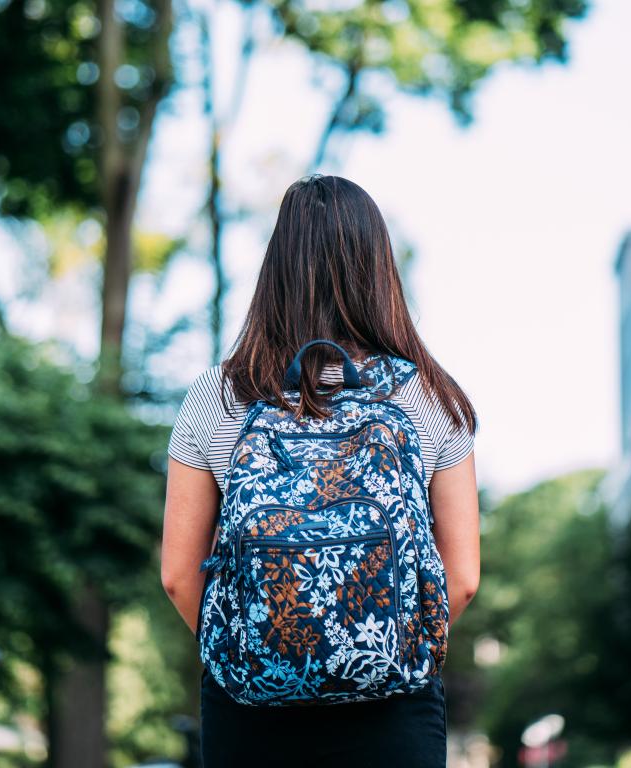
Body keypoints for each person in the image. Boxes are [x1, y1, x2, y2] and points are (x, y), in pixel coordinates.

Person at [160, 174, 480, 768]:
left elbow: (180, 576)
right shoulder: (429, 397)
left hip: (250, 711)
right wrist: (384, 650)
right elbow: (460, 579)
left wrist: (260, 652)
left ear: (275, 268)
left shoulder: (219, 395)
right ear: (377, 268)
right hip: (393, 713)